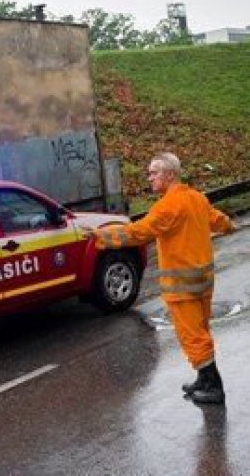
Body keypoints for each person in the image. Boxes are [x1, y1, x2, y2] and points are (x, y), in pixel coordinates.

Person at [85, 152, 235, 405]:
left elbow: (138, 232)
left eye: (154, 172)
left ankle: (213, 386)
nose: (150, 177)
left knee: (192, 335)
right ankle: (203, 378)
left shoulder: (168, 207)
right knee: (200, 331)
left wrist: (100, 236)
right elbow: (217, 220)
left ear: (170, 174)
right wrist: (230, 226)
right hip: (202, 281)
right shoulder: (196, 198)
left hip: (182, 287)